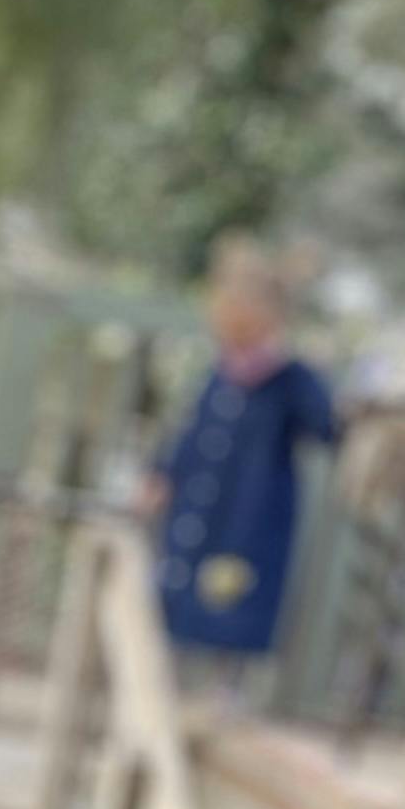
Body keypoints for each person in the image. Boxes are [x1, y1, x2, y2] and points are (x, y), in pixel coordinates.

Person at [146, 239, 336, 674]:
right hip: (197, 518)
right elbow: (188, 437)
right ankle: (176, 689)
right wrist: (160, 475)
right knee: (177, 601)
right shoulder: (218, 373)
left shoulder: (289, 378)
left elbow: (326, 427)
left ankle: (224, 695)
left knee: (233, 607)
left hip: (248, 524)